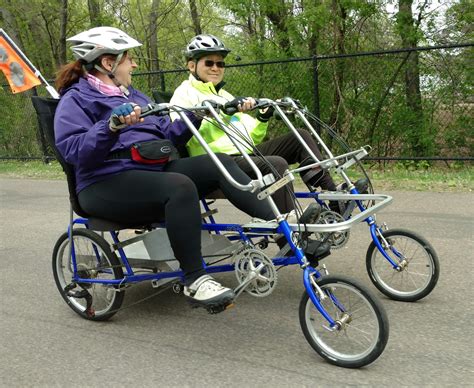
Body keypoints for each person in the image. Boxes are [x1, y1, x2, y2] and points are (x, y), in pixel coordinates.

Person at [54, 26, 279, 312]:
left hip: (148, 170)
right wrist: (109, 126)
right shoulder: (75, 99)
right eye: (129, 59)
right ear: (108, 63)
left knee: (219, 161)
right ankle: (195, 279)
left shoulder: (134, 95)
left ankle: (281, 225)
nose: (134, 64)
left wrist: (196, 115)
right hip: (103, 183)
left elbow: (167, 136)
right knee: (179, 185)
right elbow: (73, 151)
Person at [169, 34, 344, 214]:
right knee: (276, 164)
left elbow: (252, 137)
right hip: (218, 161)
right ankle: (289, 228)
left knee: (300, 136)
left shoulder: (224, 95)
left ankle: (332, 195)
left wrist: (262, 118)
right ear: (191, 65)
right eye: (209, 63)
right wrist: (223, 112)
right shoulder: (183, 94)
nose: (216, 68)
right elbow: (183, 135)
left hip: (245, 153)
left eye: (220, 64)